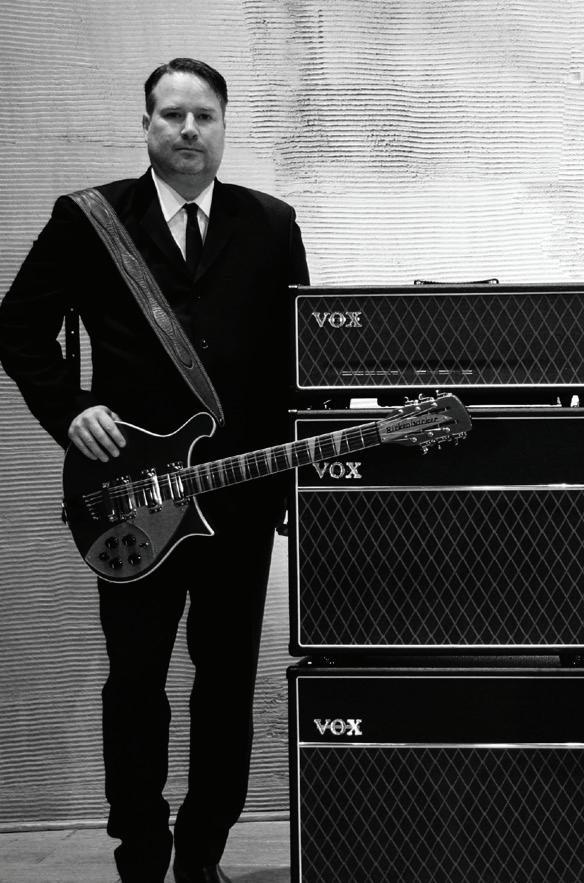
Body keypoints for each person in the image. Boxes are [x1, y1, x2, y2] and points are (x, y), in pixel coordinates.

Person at [0, 58, 309, 883]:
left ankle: (202, 854)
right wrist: (71, 410)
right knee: (135, 681)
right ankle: (141, 854)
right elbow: (18, 328)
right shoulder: (90, 219)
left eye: (204, 115)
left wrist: (289, 490)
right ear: (145, 125)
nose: (188, 129)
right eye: (171, 114)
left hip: (239, 498)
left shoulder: (271, 223)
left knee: (227, 684)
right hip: (129, 498)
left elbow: (298, 365)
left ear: (224, 126)